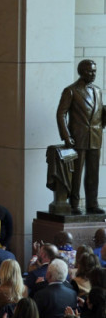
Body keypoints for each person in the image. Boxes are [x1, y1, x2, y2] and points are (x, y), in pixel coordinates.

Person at [57, 59, 106, 214]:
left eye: (95, 71)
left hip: (96, 137)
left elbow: (99, 113)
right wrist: (66, 136)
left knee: (93, 173)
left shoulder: (98, 91)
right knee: (76, 174)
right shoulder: (71, 91)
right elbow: (61, 114)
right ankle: (74, 204)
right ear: (81, 72)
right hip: (78, 138)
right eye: (90, 71)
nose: (93, 74)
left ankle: (92, 203)